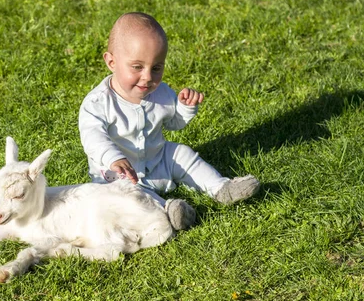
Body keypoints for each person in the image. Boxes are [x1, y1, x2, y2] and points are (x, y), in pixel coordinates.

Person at [78, 12, 261, 231]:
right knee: (128, 195)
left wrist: (185, 107)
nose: (147, 77)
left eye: (156, 68)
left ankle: (221, 188)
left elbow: (174, 123)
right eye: (137, 67)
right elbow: (92, 137)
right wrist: (113, 158)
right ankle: (169, 211)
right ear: (111, 62)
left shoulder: (161, 93)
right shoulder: (97, 103)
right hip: (116, 174)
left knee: (180, 153)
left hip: (157, 158)